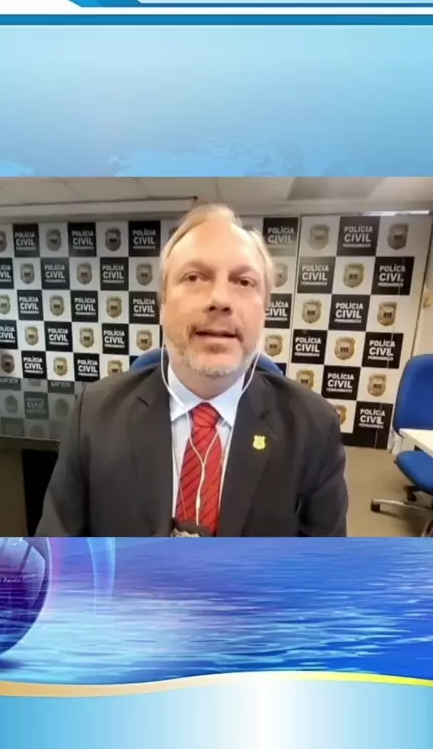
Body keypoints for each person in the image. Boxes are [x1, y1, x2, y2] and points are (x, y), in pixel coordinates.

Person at [37, 204, 348, 537]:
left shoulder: (314, 428)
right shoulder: (94, 415)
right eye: (195, 277)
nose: (220, 299)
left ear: (265, 312)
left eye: (244, 281)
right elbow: (56, 554)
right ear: (162, 305)